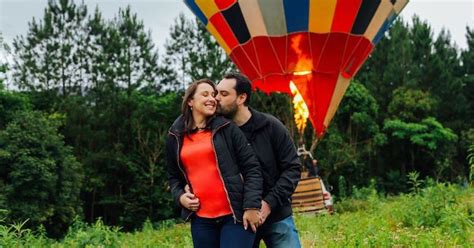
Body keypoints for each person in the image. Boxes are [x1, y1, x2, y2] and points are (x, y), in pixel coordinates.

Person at [166, 79, 262, 248]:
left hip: (235, 216)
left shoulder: (227, 128)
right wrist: (181, 197)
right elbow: (173, 177)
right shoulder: (175, 136)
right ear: (190, 101)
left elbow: (252, 168)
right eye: (205, 94)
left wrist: (252, 206)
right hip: (202, 221)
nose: (212, 98)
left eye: (213, 94)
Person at [215, 72, 302, 248]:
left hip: (277, 214)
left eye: (224, 94)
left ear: (241, 98)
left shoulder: (271, 126)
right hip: (240, 220)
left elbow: (292, 168)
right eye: (216, 93)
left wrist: (269, 203)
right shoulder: (218, 133)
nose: (216, 98)